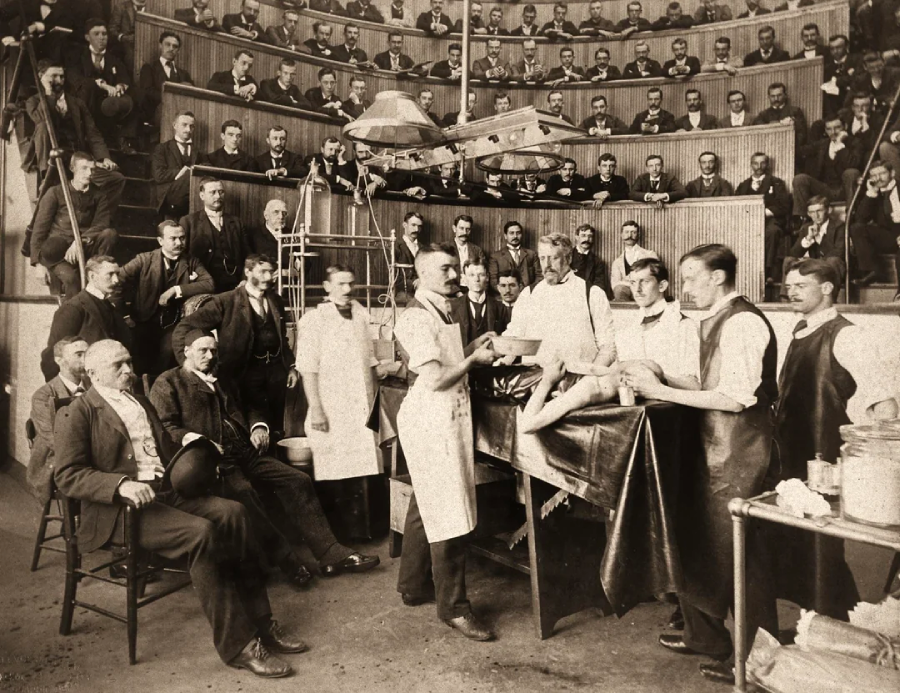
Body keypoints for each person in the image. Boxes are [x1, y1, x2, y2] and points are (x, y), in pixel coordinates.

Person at [54, 339, 306, 678]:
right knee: (199, 533)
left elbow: (165, 447)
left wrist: (197, 455)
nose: (129, 370)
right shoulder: (78, 412)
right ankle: (239, 645)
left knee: (234, 513)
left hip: (165, 493)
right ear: (94, 372)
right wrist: (120, 485)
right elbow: (67, 476)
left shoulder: (140, 402)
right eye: (120, 366)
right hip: (122, 511)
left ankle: (262, 623)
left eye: (129, 362)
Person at [624, 244, 779, 687]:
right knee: (697, 543)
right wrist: (654, 371)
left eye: (691, 278)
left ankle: (755, 661)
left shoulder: (744, 322)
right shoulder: (711, 320)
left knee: (744, 558)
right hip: (713, 447)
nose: (684, 286)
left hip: (743, 452)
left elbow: (734, 397)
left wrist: (661, 388)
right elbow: (703, 381)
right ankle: (705, 636)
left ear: (718, 277)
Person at [153, 330, 380, 582]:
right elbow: (165, 428)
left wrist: (258, 426)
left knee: (297, 479)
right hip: (215, 461)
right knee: (245, 493)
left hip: (246, 452)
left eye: (213, 350)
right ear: (186, 351)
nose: (210, 355)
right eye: (202, 350)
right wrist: (201, 448)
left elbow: (250, 406)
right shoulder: (169, 382)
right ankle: (289, 564)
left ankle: (330, 554)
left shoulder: (222, 377)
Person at [772, 259, 897, 618]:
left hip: (822, 459)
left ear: (827, 288)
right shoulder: (801, 328)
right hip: (792, 454)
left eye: (800, 285)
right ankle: (820, 624)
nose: (791, 291)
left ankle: (835, 622)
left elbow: (883, 405)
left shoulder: (847, 335)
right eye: (789, 285)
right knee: (797, 543)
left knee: (821, 548)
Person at [393, 245, 498, 641]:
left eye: (456, 267)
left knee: (426, 502)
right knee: (449, 511)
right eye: (446, 269)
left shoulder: (442, 309)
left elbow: (446, 359)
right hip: (429, 420)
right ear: (421, 275)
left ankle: (411, 586)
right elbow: (436, 377)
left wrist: (472, 348)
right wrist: (474, 363)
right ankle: (454, 608)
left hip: (444, 416)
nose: (455, 274)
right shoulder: (415, 318)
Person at [520, 258, 699, 433]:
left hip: (669, 414)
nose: (636, 289)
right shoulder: (628, 331)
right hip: (631, 412)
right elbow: (616, 376)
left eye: (644, 282)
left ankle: (533, 420)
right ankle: (535, 417)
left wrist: (657, 377)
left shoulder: (684, 326)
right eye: (633, 282)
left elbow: (694, 386)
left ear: (662, 286)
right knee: (585, 386)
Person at [172, 255, 298, 433]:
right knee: (250, 427)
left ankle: (274, 459)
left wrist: (290, 366)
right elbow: (184, 327)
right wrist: (188, 364)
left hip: (276, 373)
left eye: (271, 272)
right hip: (243, 374)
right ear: (247, 272)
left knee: (276, 425)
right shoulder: (226, 301)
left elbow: (281, 337)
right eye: (263, 272)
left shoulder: (276, 300)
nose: (269, 277)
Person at [502, 233, 616, 368]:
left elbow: (608, 347)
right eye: (543, 258)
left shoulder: (592, 294)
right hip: (535, 381)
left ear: (568, 258)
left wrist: (590, 377)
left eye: (554, 258)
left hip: (579, 380)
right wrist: (503, 361)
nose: (547, 265)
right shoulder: (528, 294)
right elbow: (514, 339)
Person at [119, 221, 214, 377]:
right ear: (160, 241)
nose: (179, 243)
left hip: (173, 323)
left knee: (169, 352)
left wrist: (176, 290)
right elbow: (116, 280)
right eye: (173, 238)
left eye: (182, 238)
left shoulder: (191, 261)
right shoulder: (144, 260)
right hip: (143, 321)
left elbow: (209, 283)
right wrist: (124, 314)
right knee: (139, 357)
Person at [30, 152, 120, 298]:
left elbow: (101, 224)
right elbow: (39, 229)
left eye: (92, 169)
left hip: (84, 248)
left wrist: (80, 243)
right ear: (72, 168)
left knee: (110, 233)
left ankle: (98, 269)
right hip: (58, 253)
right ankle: (74, 316)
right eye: (84, 168)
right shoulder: (55, 192)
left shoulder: (99, 195)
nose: (89, 173)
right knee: (72, 281)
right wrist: (37, 264)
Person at [40, 256, 132, 381]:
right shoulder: (73, 308)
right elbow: (53, 356)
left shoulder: (110, 306)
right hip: (85, 385)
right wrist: (65, 391)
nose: (116, 280)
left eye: (117, 274)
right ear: (92, 276)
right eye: (110, 274)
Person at [28, 337, 89, 505]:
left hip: (87, 458)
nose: (86, 360)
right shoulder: (43, 396)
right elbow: (55, 441)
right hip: (56, 462)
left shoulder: (93, 388)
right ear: (59, 360)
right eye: (79, 354)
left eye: (88, 353)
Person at [69, 18, 137, 154]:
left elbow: (123, 77)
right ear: (87, 37)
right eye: (96, 34)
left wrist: (120, 86)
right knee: (87, 87)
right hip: (87, 100)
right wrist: (104, 86)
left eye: (104, 34)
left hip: (108, 103)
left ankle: (124, 139)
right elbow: (75, 79)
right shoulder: (77, 56)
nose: (101, 38)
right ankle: (86, 135)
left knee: (136, 93)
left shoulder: (113, 59)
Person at [179, 177, 250, 293]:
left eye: (221, 192)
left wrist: (245, 279)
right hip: (203, 286)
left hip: (235, 286)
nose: (218, 196)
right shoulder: (188, 222)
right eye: (213, 192)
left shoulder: (236, 222)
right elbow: (182, 257)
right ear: (202, 196)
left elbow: (248, 255)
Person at [735, 152, 791, 283]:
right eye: (755, 163)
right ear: (751, 165)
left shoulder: (777, 183)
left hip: (771, 220)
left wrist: (763, 212)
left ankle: (768, 271)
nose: (759, 166)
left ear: (767, 164)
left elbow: (784, 206)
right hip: (747, 221)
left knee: (772, 232)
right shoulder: (743, 185)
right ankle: (745, 271)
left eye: (762, 163)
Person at [793, 115, 861, 216]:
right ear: (825, 130)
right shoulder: (822, 144)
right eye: (829, 129)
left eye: (837, 127)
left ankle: (851, 214)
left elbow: (853, 164)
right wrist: (795, 126)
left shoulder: (855, 142)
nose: (833, 132)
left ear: (845, 127)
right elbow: (799, 152)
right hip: (825, 189)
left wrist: (839, 145)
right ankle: (801, 219)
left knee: (851, 172)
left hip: (846, 188)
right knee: (800, 179)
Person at [850, 161, 900, 295]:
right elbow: (860, 218)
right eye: (874, 175)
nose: (878, 178)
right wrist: (871, 193)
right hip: (889, 236)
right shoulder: (875, 194)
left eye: (882, 173)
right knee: (857, 228)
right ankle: (873, 271)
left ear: (892, 173)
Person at [781, 197, 846, 296]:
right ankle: (785, 299)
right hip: (813, 263)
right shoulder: (806, 227)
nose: (816, 216)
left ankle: (829, 299)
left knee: (833, 260)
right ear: (808, 214)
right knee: (788, 260)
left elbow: (839, 252)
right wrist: (809, 238)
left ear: (828, 210)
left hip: (832, 265)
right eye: (812, 212)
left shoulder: (839, 226)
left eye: (819, 211)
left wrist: (821, 234)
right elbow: (794, 253)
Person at [138, 31, 193, 128]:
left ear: (178, 50)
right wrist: (170, 99)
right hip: (156, 114)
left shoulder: (184, 74)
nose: (171, 49)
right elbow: (147, 92)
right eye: (167, 45)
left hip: (180, 115)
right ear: (160, 46)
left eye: (175, 46)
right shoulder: (149, 68)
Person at [151, 111, 198, 219]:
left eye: (191, 126)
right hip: (168, 196)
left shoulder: (197, 152)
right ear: (175, 125)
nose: (188, 130)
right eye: (184, 125)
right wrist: (183, 172)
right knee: (190, 174)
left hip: (190, 197)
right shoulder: (162, 148)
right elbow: (159, 175)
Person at [452, 262, 509, 343]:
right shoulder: (453, 306)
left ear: (487, 277)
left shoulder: (500, 308)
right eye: (471, 275)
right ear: (464, 279)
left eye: (481, 275)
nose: (476, 279)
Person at [753, 82, 808, 153]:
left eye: (779, 95)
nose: (776, 99)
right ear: (768, 97)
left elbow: (802, 134)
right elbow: (759, 132)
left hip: (791, 149)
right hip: (770, 149)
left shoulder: (795, 111)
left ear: (785, 95)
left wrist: (790, 145)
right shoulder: (763, 114)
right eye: (773, 96)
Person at [610, 221, 658, 300]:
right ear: (621, 235)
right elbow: (615, 285)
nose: (629, 235)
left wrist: (628, 281)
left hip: (645, 292)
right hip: (624, 294)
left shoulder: (650, 255)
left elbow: (655, 279)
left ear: (638, 235)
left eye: (633, 232)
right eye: (626, 232)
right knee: (619, 290)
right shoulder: (617, 262)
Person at [488, 221, 541, 289]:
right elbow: (493, 281)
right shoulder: (496, 257)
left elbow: (539, 276)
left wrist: (529, 291)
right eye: (511, 233)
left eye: (518, 233)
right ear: (505, 236)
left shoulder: (532, 254)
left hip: (528, 295)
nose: (515, 236)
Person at [570, 223, 612, 294]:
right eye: (583, 236)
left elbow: (599, 284)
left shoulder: (597, 262)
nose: (587, 239)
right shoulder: (567, 257)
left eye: (590, 236)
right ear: (576, 237)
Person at [447, 216, 485, 288]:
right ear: (454, 229)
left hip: (472, 289)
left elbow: (483, 274)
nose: (464, 232)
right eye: (461, 228)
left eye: (468, 229)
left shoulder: (477, 250)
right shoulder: (445, 248)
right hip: (451, 290)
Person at [108, 0, 144, 75]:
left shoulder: (153, 11)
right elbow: (112, 29)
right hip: (124, 46)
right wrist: (123, 37)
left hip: (143, 46)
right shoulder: (120, 7)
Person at [394, 211, 423, 296]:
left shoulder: (424, 248)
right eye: (413, 225)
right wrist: (414, 283)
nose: (416, 230)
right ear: (404, 225)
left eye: (419, 226)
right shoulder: (395, 247)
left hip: (423, 290)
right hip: (403, 291)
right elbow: (392, 277)